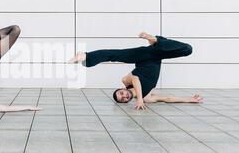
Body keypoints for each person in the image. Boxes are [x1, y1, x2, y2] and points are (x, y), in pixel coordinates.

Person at [69, 32, 203, 110]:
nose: (124, 96)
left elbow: (136, 79)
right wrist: (190, 99)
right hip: (156, 55)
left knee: (115, 55)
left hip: (142, 55)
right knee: (187, 49)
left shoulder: (126, 81)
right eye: (123, 99)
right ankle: (156, 41)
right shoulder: (147, 97)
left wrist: (139, 100)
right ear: (126, 102)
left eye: (120, 93)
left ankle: (85, 56)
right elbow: (167, 98)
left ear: (121, 88)